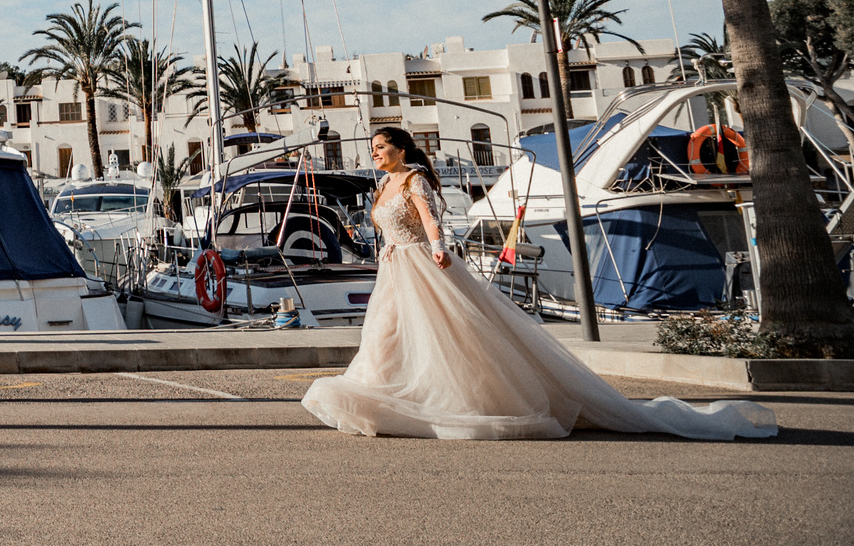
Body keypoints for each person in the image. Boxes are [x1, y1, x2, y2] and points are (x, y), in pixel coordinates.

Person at [301, 125, 776, 440]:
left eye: (381, 148)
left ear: (400, 149)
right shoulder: (382, 185)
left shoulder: (413, 179)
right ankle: (378, 393)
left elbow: (428, 218)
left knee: (450, 333)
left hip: (422, 265)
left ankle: (456, 397)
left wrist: (440, 246)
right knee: (384, 336)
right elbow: (388, 224)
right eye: (374, 150)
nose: (376, 154)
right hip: (393, 269)